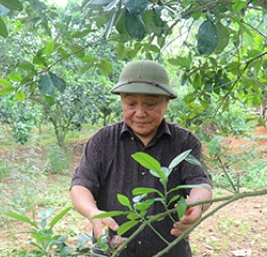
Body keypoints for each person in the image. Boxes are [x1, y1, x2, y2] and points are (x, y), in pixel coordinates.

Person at [70, 60, 212, 256]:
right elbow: (81, 185)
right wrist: (93, 213)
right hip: (113, 249)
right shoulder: (103, 141)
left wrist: (196, 206)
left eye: (150, 104)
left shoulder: (184, 142)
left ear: (167, 102)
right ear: (121, 101)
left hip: (168, 250)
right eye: (130, 104)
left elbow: (201, 184)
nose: (139, 113)